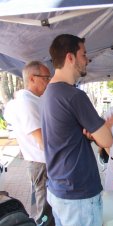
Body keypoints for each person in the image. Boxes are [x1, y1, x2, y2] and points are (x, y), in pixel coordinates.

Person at [41, 34, 113, 226]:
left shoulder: (49, 92)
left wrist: (89, 135)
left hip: (59, 187)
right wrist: (100, 131)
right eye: (83, 54)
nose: (87, 59)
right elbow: (107, 140)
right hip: (78, 192)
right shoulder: (74, 96)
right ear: (70, 57)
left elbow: (66, 134)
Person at [9, 61, 54, 225]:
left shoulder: (35, 99)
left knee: (48, 204)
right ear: (33, 78)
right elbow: (41, 140)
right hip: (41, 161)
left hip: (44, 161)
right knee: (44, 210)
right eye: (45, 77)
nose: (48, 81)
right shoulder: (26, 102)